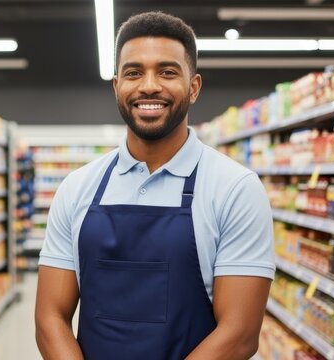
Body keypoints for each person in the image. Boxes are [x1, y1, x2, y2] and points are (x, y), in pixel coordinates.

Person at [35, 11, 275, 360]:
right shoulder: (77, 188)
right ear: (117, 86)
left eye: (167, 72)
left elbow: (238, 336)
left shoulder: (236, 189)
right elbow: (49, 318)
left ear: (193, 88)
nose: (149, 85)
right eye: (133, 73)